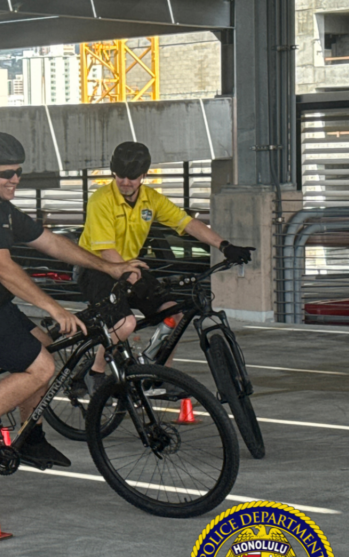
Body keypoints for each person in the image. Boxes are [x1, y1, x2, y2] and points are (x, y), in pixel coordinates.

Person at [0, 132, 145, 482]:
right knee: (40, 368)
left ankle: (30, 436)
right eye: (7, 174)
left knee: (45, 350)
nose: (15, 180)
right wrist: (56, 309)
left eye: (18, 172)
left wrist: (109, 267)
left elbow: (50, 242)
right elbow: (3, 268)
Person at [76, 141, 252, 392]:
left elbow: (188, 223)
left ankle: (157, 375)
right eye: (120, 176)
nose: (125, 182)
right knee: (126, 324)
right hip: (97, 269)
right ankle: (95, 372)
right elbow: (106, 251)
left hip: (130, 266)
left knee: (173, 314)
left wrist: (224, 245)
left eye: (132, 177)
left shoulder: (151, 199)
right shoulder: (101, 200)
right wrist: (129, 272)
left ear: (144, 175)